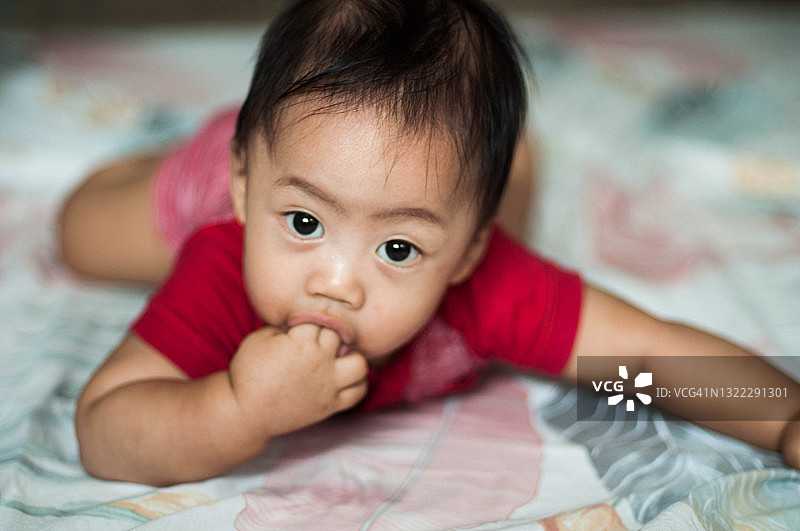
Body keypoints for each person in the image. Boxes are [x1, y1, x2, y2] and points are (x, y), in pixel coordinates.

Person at [59, 0, 800, 487]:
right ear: (252, 189)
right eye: (307, 227)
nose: (337, 283)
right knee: (80, 236)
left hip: (340, 180)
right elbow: (104, 428)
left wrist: (781, 417)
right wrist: (237, 409)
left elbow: (639, 361)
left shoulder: (488, 286)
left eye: (398, 250)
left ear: (469, 254)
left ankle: (489, 175)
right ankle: (199, 167)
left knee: (493, 180)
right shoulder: (224, 261)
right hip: (209, 184)